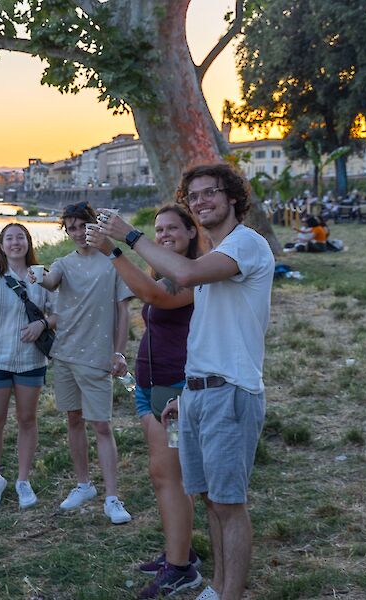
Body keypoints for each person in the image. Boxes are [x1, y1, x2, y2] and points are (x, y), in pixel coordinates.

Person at [97, 163, 274, 600]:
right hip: (199, 393)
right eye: (193, 197)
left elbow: (184, 277)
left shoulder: (245, 245)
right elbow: (202, 329)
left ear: (232, 196)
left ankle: (229, 594)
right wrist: (187, 392)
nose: (201, 202)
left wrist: (129, 236)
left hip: (231, 392)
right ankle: (215, 587)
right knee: (213, 503)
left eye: (210, 193)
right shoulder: (216, 253)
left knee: (230, 506)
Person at [87, 206, 204, 598]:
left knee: (169, 475)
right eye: (159, 229)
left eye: (173, 228)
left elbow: (153, 296)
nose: (165, 234)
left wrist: (115, 249)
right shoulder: (166, 270)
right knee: (165, 476)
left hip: (173, 389)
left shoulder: (196, 273)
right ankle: (180, 551)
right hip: (148, 388)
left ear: (191, 231)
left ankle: (181, 568)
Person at [35, 202, 134, 523]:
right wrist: (35, 273)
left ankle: (113, 497)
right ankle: (83, 484)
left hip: (97, 357)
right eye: (72, 228)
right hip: (64, 355)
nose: (78, 233)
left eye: (83, 226)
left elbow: (123, 312)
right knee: (73, 421)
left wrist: (120, 352)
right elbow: (50, 283)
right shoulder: (63, 262)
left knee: (102, 426)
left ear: (96, 225)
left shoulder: (113, 261)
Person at [0, 223, 55, 511]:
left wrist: (41, 324)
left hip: (31, 361)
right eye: (9, 239)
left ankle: (23, 480)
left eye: (20, 238)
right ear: (1, 246)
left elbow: (60, 313)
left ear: (28, 243)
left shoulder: (41, 275)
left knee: (27, 419)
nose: (15, 243)